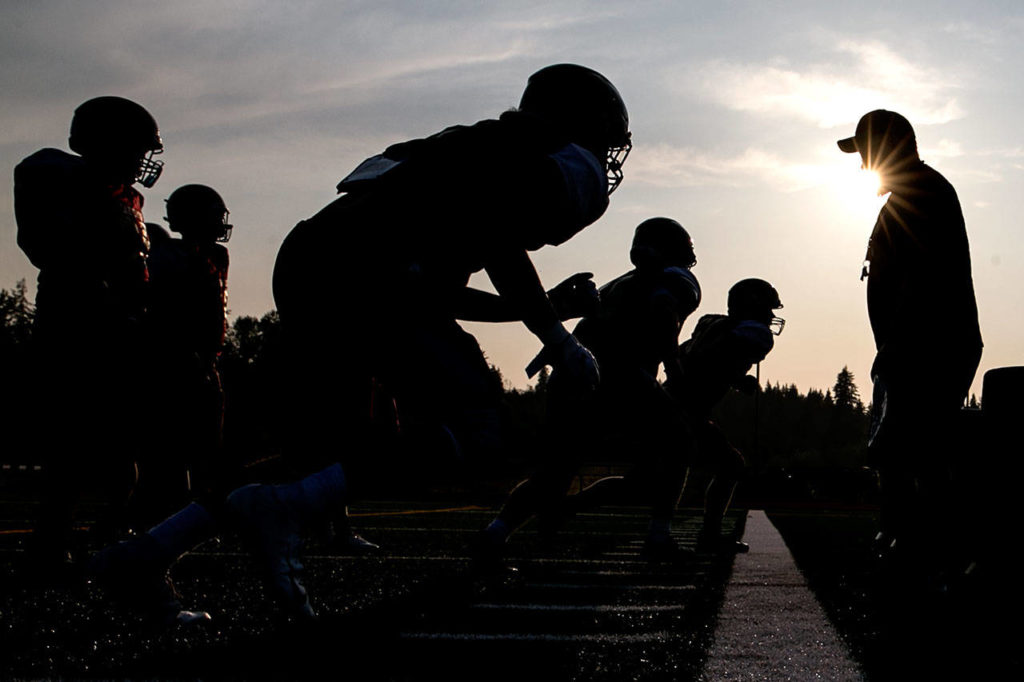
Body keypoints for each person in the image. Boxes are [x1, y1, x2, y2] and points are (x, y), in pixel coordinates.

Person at [93, 64, 632, 624]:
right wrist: (555, 336)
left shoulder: (458, 145)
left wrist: (544, 309)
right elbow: (488, 240)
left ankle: (148, 551)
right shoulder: (548, 159)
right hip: (369, 271)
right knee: (479, 430)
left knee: (320, 454)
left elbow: (435, 289)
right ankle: (282, 513)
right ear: (582, 125)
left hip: (317, 258)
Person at [475, 217, 701, 566]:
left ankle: (497, 531)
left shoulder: (618, 284)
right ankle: (658, 535)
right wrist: (673, 368)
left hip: (575, 372)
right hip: (622, 373)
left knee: (557, 468)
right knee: (678, 442)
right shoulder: (675, 278)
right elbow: (663, 310)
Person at [14, 96, 163, 575]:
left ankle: (109, 536)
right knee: (73, 442)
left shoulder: (127, 197)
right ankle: (51, 542)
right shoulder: (60, 176)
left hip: (122, 330)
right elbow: (48, 245)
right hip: (76, 319)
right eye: (136, 146)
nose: (142, 159)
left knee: (124, 446)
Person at [837, 110, 982, 574]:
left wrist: (902, 348)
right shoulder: (914, 194)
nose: (862, 167)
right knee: (906, 448)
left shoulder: (921, 195)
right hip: (917, 345)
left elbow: (923, 281)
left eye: (865, 155)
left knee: (915, 449)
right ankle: (914, 538)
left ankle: (933, 549)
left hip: (925, 346)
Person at [133, 185, 232, 527]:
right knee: (170, 451)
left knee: (205, 450)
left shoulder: (214, 255)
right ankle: (160, 520)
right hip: (174, 363)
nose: (220, 223)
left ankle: (189, 518)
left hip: (205, 361)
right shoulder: (166, 255)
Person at [668, 278, 784, 554]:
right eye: (767, 309)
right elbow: (712, 359)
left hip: (674, 401)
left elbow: (695, 356)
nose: (771, 317)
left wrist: (734, 378)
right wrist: (734, 376)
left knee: (641, 481)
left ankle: (565, 507)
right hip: (685, 409)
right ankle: (707, 535)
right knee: (730, 465)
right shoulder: (749, 334)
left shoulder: (712, 323)